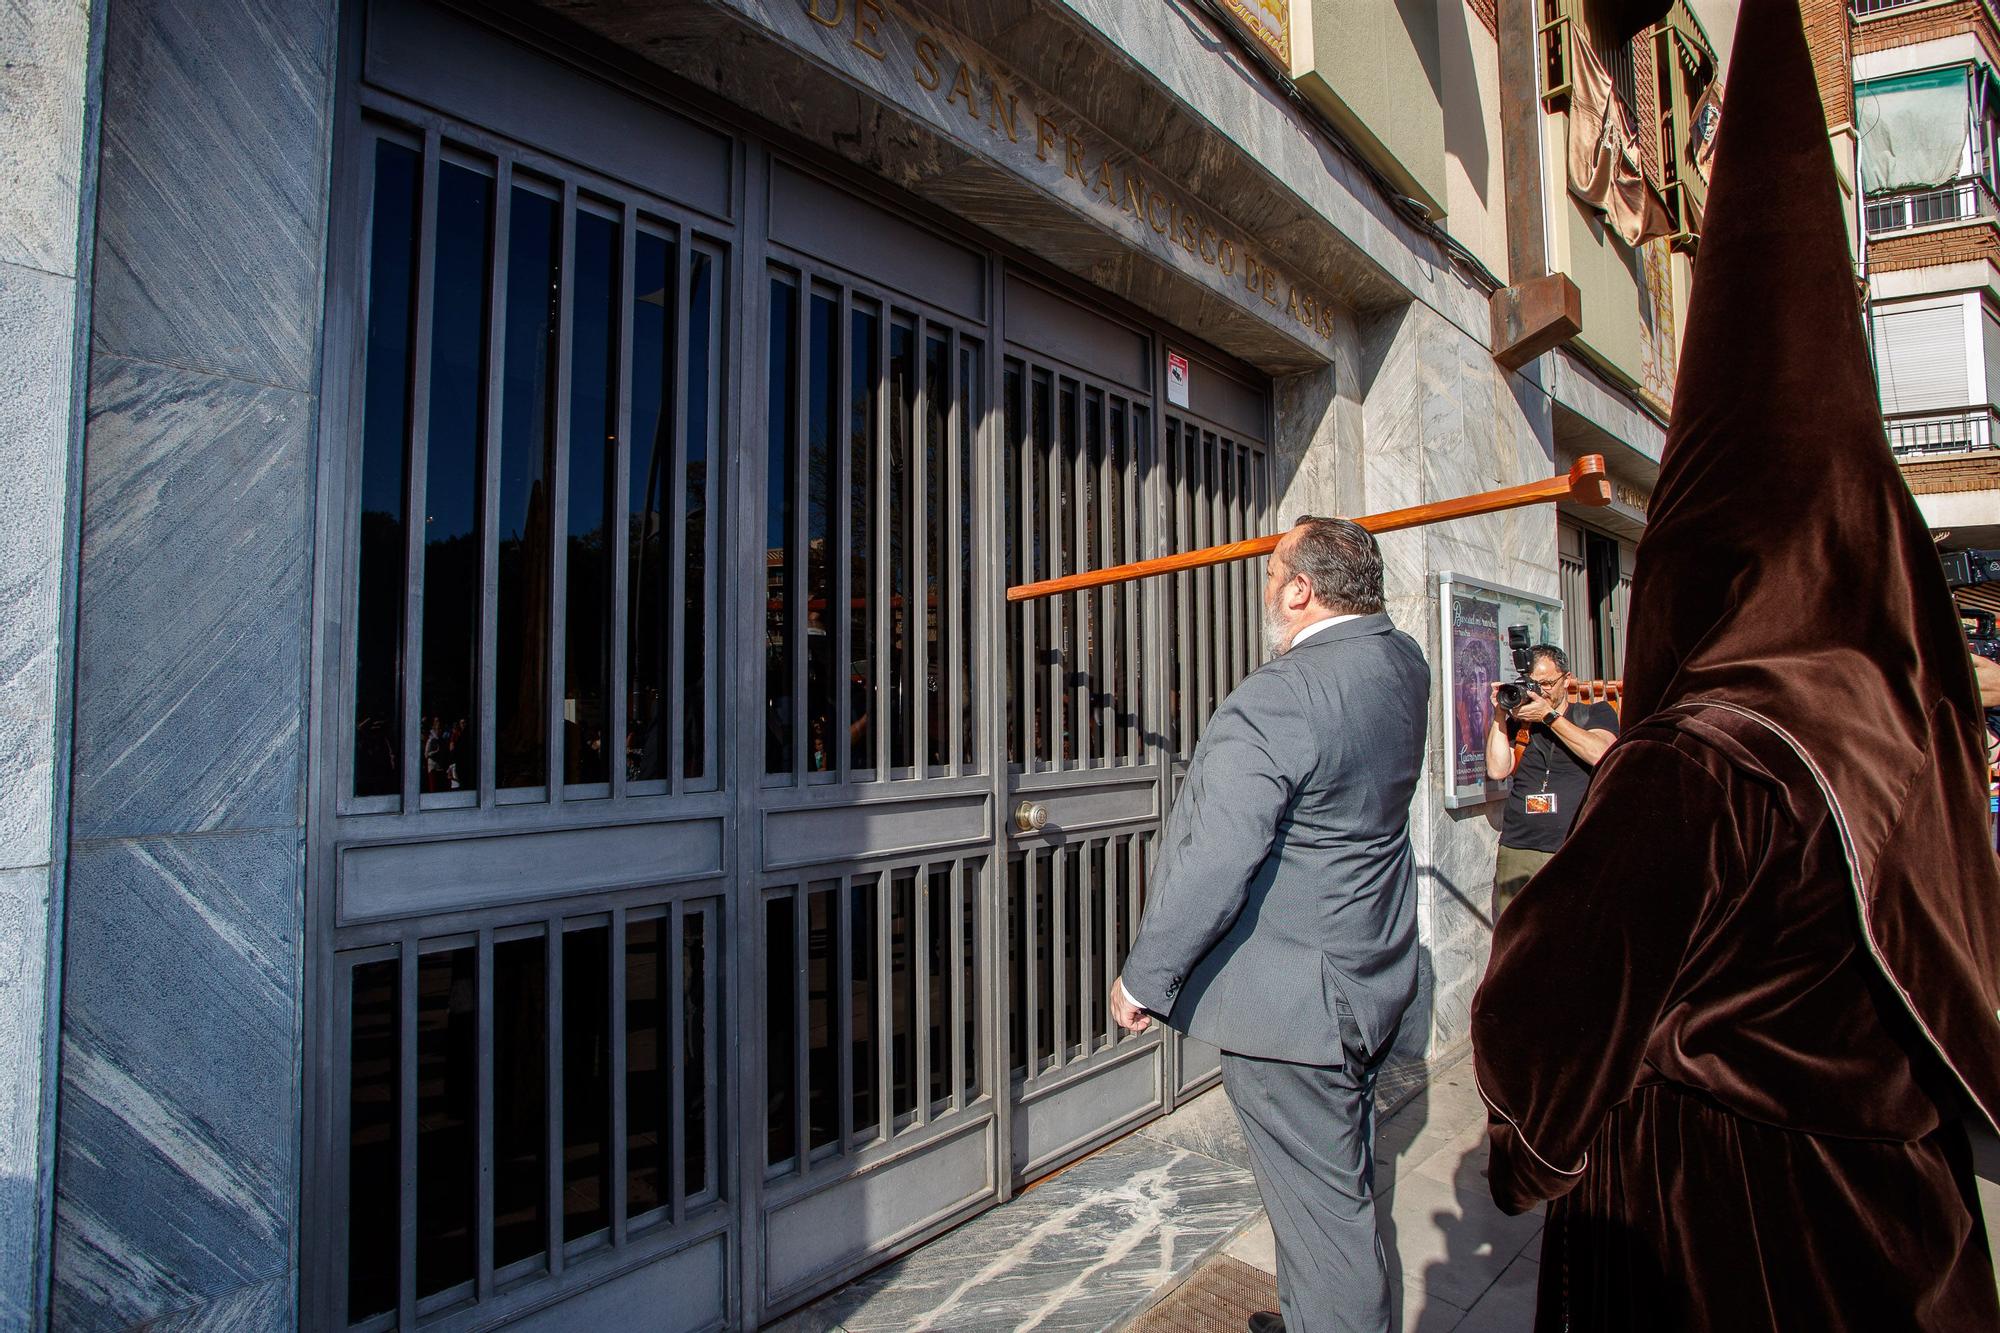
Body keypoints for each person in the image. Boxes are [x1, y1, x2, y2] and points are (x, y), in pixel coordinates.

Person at [1470, 0, 2000, 1325]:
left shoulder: (1708, 757)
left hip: (1734, 1236)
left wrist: (1526, 1153)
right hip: (1902, 1229)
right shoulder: (1901, 721)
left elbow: (1549, 1020)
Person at [1109, 516, 1429, 1333]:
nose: (1261, 588)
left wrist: (1147, 976)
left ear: (1300, 589)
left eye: (1270, 571)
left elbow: (1216, 857)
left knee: (1329, 1219)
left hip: (1296, 1010)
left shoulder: (1282, 694)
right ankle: (1308, 1311)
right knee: (1329, 1185)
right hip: (1369, 976)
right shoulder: (1403, 663)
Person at [1483, 645, 1618, 916]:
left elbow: (1601, 753)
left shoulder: (1595, 713)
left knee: (1574, 932)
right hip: (1520, 846)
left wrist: (1549, 717)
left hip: (1574, 845)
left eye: (1547, 683)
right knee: (1516, 936)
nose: (1542, 691)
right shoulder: (1520, 722)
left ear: (1566, 679)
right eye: (1536, 683)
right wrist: (1500, 714)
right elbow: (1498, 769)